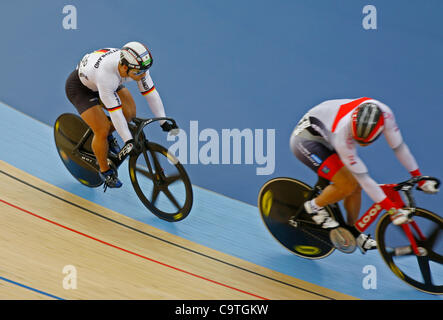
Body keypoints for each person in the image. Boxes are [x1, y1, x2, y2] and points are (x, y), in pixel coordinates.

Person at [290, 97, 439, 253]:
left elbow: (399, 148)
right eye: (357, 139)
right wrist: (392, 211)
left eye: (366, 142)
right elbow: (364, 179)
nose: (360, 144)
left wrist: (418, 176)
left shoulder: (386, 116)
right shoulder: (343, 132)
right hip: (307, 139)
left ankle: (352, 231)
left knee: (356, 187)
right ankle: (313, 207)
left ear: (380, 130)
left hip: (328, 131)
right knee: (348, 184)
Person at [65, 41, 177, 189]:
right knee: (102, 130)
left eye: (145, 71)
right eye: (138, 73)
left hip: (105, 80)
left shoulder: (138, 66)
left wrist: (163, 122)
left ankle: (108, 139)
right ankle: (105, 171)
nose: (143, 75)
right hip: (81, 89)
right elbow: (115, 113)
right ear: (124, 67)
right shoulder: (107, 76)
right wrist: (128, 140)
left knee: (129, 113)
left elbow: (151, 94)